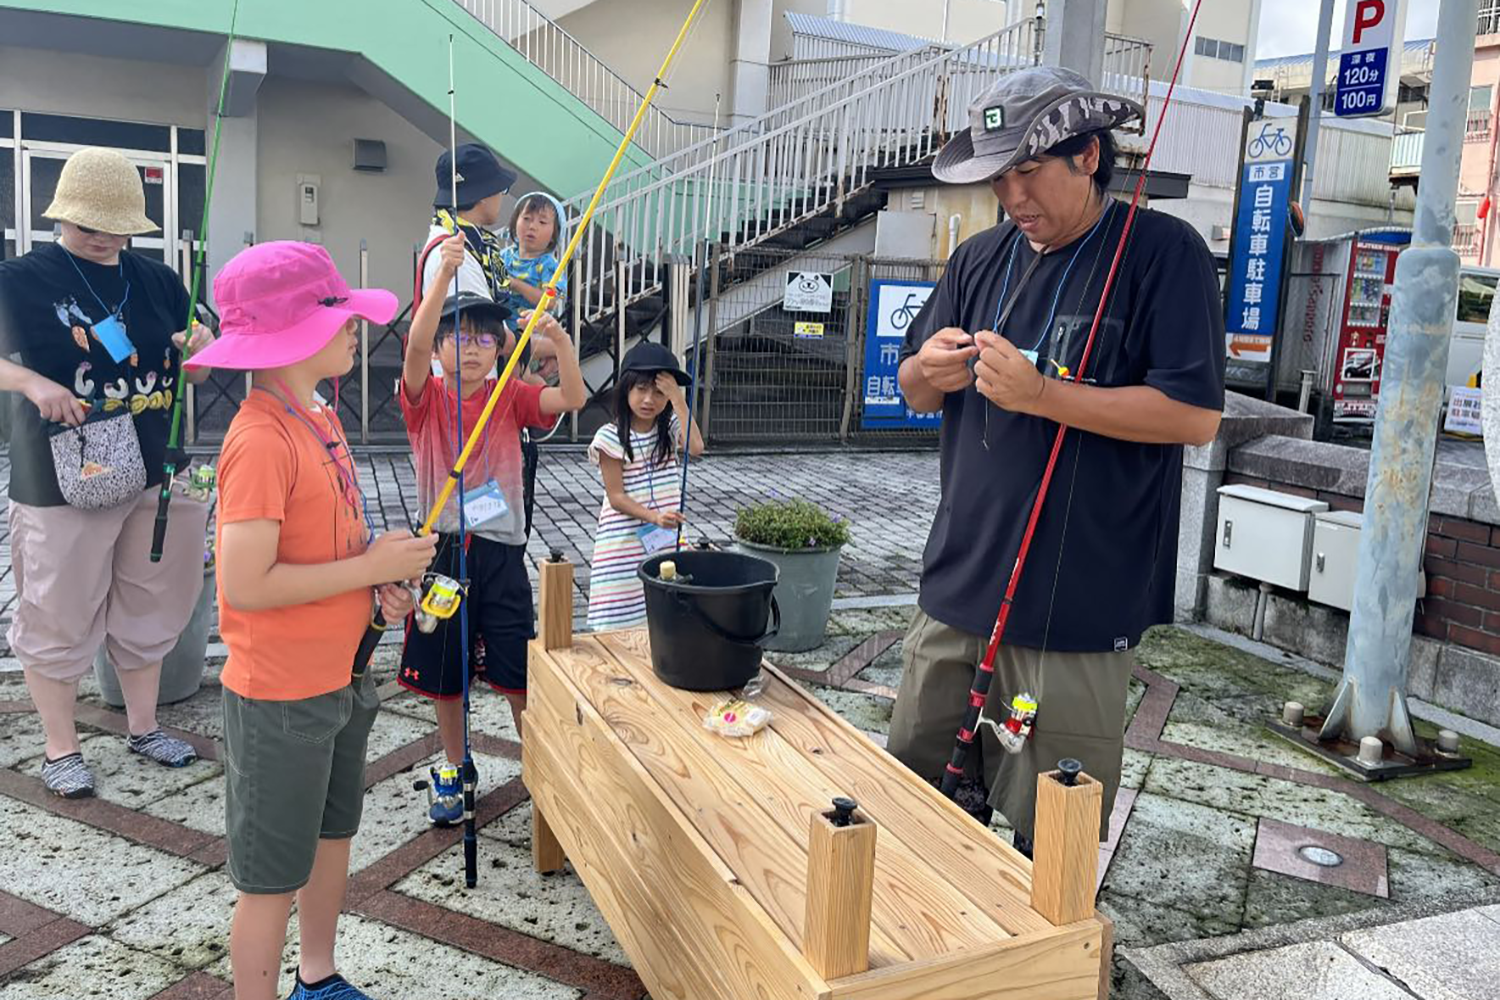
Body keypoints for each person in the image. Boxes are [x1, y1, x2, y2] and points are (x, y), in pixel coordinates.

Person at [886, 68, 1225, 856]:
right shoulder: (977, 259)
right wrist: (924, 372)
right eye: (998, 177)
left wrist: (1044, 395)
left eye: (1028, 171)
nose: (1013, 196)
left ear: (1089, 157)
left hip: (1079, 602)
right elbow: (916, 388)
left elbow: (1195, 416)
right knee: (912, 802)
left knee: (1056, 837)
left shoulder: (1162, 252)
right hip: (958, 583)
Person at [184, 240, 438, 1000]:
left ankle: (318, 977)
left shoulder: (319, 415)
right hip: (279, 699)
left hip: (343, 677)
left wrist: (379, 589)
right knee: (269, 878)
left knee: (333, 837)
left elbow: (332, 548)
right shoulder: (260, 438)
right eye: (341, 316)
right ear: (294, 333)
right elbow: (245, 584)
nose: (357, 328)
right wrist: (370, 569)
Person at [0, 146, 216, 798]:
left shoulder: (158, 281)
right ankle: (61, 746)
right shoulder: (20, 277)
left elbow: (197, 371)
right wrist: (35, 385)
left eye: (113, 226)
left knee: (151, 596)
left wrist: (202, 347)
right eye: (87, 225)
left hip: (155, 464)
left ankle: (144, 725)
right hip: (63, 469)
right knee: (57, 607)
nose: (100, 237)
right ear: (62, 215)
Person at [400, 234, 586, 826]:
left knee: (515, 672)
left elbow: (574, 396)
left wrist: (560, 342)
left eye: (485, 337)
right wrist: (439, 284)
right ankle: (454, 768)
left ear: (500, 348)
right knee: (445, 678)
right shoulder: (424, 399)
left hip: (503, 554)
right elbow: (413, 348)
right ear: (440, 348)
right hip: (442, 556)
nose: (472, 348)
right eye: (458, 337)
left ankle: (541, 764)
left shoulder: (512, 396)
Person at [586, 342, 705, 632]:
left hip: (665, 540)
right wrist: (654, 517)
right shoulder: (610, 437)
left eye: (659, 391)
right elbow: (616, 497)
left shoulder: (670, 427)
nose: (649, 399)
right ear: (626, 389)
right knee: (618, 625)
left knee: (666, 619)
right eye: (641, 389)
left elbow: (696, 447)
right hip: (622, 545)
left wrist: (679, 399)